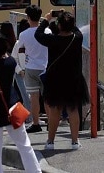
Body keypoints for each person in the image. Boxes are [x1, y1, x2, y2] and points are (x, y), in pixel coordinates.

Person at [0, 32, 40, 172]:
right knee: (25, 145)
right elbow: (8, 57)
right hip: (12, 108)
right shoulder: (10, 63)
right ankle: (35, 171)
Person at [34, 10, 87, 151]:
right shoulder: (77, 38)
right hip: (73, 79)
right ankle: (75, 142)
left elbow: (38, 34)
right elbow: (74, 29)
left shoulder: (53, 40)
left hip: (55, 79)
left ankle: (50, 141)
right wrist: (68, 18)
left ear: (59, 25)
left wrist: (46, 19)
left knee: (55, 110)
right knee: (73, 109)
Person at [15, 5, 49, 133]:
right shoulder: (48, 31)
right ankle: (51, 122)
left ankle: (36, 123)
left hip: (31, 68)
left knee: (34, 97)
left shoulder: (23, 34)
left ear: (28, 17)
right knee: (47, 98)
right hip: (46, 67)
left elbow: (20, 49)